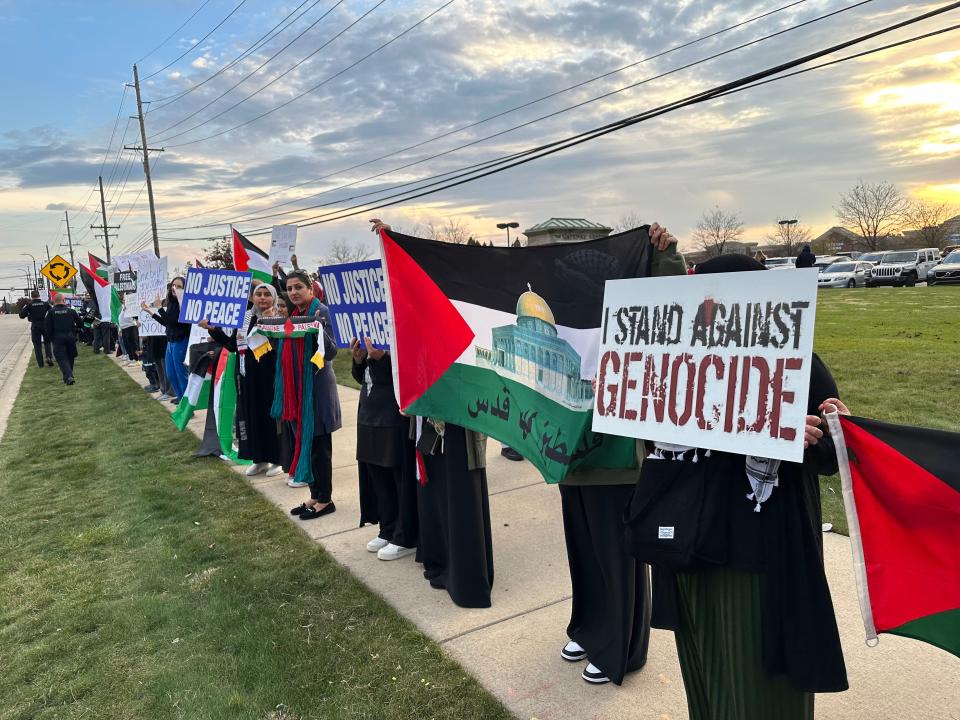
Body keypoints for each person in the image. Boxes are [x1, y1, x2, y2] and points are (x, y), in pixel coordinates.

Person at [629, 254, 848, 720]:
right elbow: (649, 439)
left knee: (757, 693)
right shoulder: (669, 362)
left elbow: (831, 458)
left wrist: (822, 431)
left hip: (758, 558)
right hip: (690, 549)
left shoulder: (794, 361)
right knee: (707, 677)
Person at [557, 222, 685, 686]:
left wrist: (665, 256)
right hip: (569, 457)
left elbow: (673, 314)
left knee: (618, 560)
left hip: (617, 461)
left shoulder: (630, 322)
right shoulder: (564, 322)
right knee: (585, 556)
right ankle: (589, 628)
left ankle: (623, 646)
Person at [200, 282, 284, 477]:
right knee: (250, 416)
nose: (262, 298)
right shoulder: (246, 319)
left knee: (271, 419)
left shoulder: (278, 319)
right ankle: (259, 459)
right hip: (247, 376)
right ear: (252, 298)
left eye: (266, 294)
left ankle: (277, 459)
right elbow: (232, 346)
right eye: (258, 294)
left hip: (269, 377)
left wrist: (270, 326)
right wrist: (213, 330)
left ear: (273, 298)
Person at [279, 271, 341, 520]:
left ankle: (325, 500)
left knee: (319, 447)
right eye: (289, 288)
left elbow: (332, 351)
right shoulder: (293, 316)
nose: (293, 292)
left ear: (310, 290)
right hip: (297, 390)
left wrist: (318, 329)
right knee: (306, 443)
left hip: (316, 389)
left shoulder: (322, 312)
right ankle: (315, 495)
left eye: (298, 287)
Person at [351, 337, 418, 560]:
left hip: (392, 416)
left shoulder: (398, 334)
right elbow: (363, 379)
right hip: (369, 415)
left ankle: (405, 536)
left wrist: (382, 359)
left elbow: (401, 379)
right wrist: (359, 361)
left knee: (398, 477)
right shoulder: (369, 338)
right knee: (377, 476)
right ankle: (387, 528)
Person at [142, 277, 190, 402]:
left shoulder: (184, 304)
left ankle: (186, 406)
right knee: (171, 374)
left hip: (180, 341)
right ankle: (181, 400)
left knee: (181, 375)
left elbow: (173, 322)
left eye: (179, 286)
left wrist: (159, 309)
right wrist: (151, 313)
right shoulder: (172, 302)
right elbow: (167, 323)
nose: (175, 288)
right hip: (170, 342)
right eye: (173, 285)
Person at [44, 294, 81, 384]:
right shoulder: (71, 311)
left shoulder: (50, 312)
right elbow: (80, 323)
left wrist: (51, 338)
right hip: (70, 337)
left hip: (57, 338)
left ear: (53, 301)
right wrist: (75, 330)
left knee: (61, 358)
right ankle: (69, 376)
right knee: (70, 356)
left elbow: (47, 327)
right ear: (64, 300)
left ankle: (68, 376)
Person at [19, 290, 53, 368]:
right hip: (45, 324)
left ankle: (41, 364)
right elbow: (51, 311)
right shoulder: (45, 303)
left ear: (31, 297)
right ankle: (49, 357)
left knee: (37, 345)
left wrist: (26, 309)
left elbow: (21, 316)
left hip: (35, 325)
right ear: (39, 296)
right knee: (47, 342)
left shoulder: (29, 305)